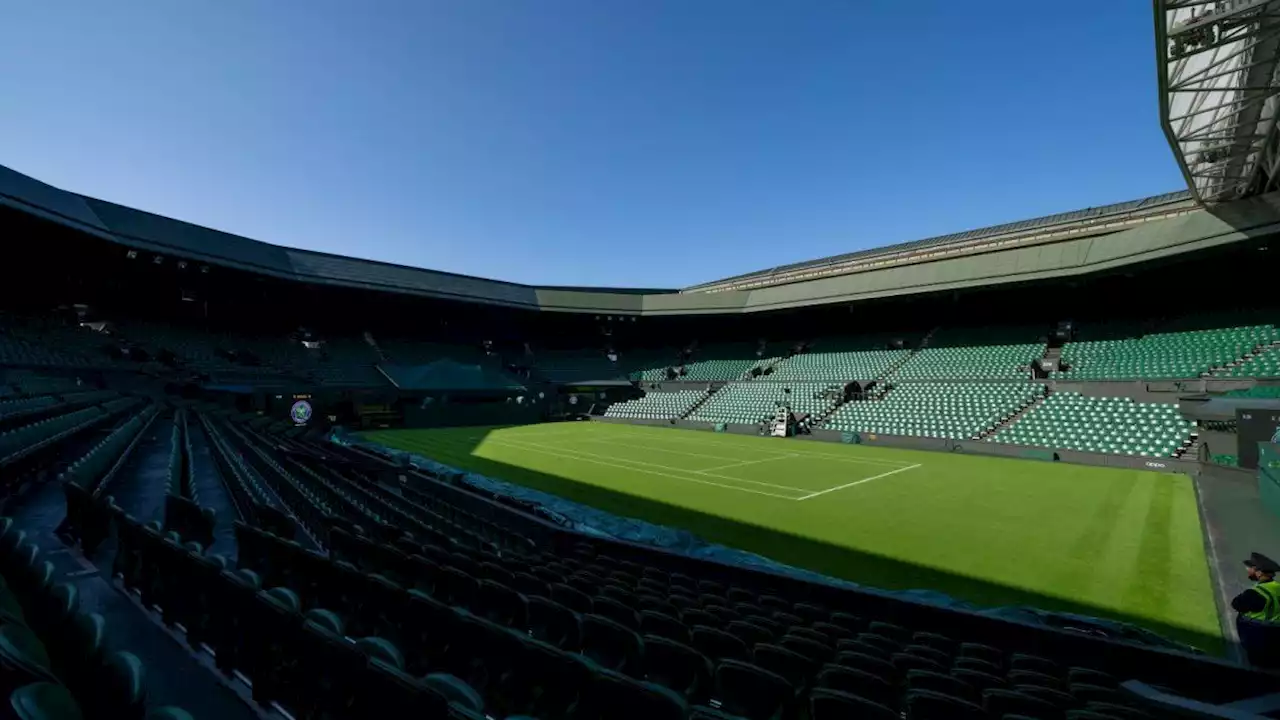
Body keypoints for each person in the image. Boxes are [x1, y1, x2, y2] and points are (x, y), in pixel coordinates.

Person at [1233, 552, 1280, 668]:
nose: (1247, 570)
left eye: (1251, 568)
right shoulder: (1277, 587)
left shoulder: (1255, 594)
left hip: (1259, 643)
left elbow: (1236, 604)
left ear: (1259, 573)